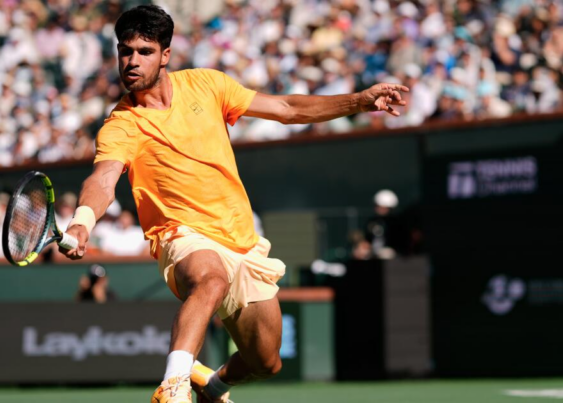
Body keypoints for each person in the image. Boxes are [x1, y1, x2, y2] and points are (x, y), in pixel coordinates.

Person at [59, 6, 408, 403]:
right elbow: (103, 179)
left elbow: (287, 109)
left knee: (266, 361)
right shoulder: (121, 125)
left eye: (144, 51)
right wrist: (82, 221)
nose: (132, 61)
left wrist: (359, 101)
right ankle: (172, 386)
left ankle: (211, 386)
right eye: (125, 51)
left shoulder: (207, 84)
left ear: (165, 55)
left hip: (240, 238)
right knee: (210, 279)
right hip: (183, 234)